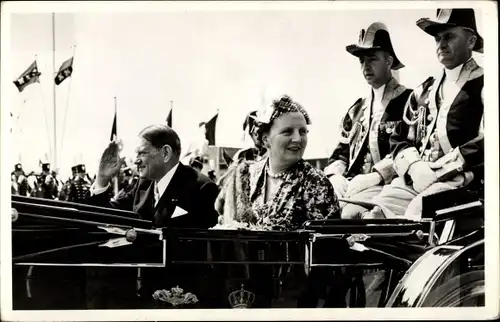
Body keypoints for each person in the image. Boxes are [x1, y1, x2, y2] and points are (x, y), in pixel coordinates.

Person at [363, 9, 484, 220]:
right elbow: (399, 138)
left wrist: (441, 170)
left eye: (449, 36)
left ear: (471, 41)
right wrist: (414, 165)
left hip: (464, 180)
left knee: (416, 214)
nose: (441, 44)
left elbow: (489, 141)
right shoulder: (423, 91)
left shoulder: (486, 84)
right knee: (374, 215)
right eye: (438, 38)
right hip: (418, 178)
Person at [324, 22, 412, 219]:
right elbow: (341, 152)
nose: (366, 66)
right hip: (353, 187)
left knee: (348, 216)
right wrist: (337, 177)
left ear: (389, 62)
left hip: (391, 186)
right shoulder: (357, 109)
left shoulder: (409, 100)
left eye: (372, 59)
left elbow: (413, 147)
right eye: (362, 61)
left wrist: (378, 174)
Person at [216, 95, 340, 231]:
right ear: (265, 140)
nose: (298, 139)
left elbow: (328, 243)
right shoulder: (244, 176)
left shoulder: (315, 182)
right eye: (287, 132)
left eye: (303, 132)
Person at [88, 124, 219, 229]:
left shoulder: (201, 188)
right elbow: (109, 214)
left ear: (165, 153)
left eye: (142, 153)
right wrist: (102, 179)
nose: (136, 161)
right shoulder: (143, 184)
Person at [216, 110, 268, 188]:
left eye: (260, 130)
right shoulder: (241, 154)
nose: (257, 135)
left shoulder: (271, 154)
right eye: (253, 132)